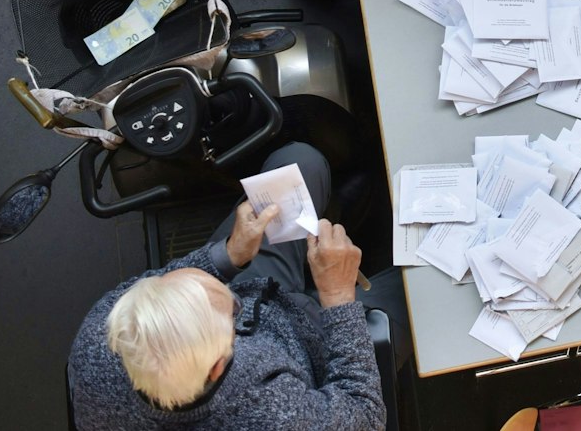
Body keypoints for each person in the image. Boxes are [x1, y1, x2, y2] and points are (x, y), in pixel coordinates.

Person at [68, 143, 385, 430]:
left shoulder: (100, 334)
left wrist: (229, 255)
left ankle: (334, 213)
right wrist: (338, 299)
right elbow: (366, 418)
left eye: (191, 281)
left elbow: (178, 277)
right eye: (233, 310)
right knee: (418, 299)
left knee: (301, 162)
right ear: (218, 368)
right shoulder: (272, 414)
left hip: (272, 311)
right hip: (313, 345)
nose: (230, 294)